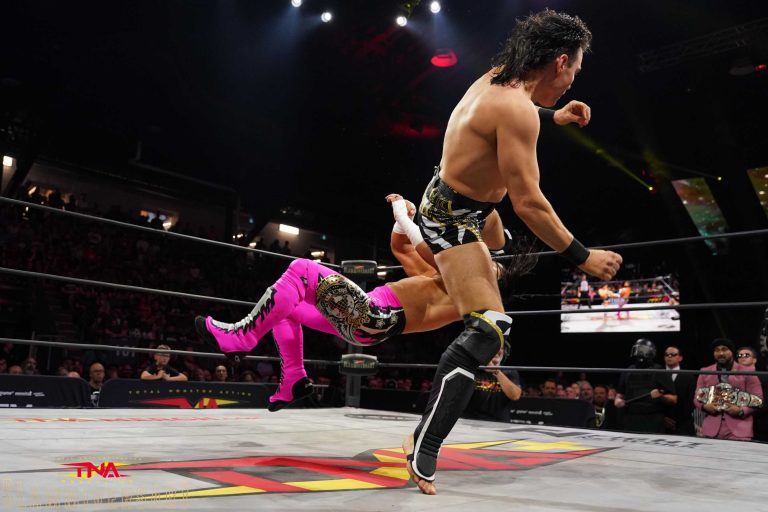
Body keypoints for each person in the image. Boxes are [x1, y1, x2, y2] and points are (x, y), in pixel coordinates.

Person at [405, 9, 622, 494]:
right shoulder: (517, 111)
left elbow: (506, 116)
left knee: (500, 251)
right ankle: (426, 442)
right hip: (452, 217)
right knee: (489, 327)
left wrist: (554, 116)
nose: (570, 84)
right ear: (559, 62)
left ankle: (452, 285)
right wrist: (583, 257)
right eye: (573, 73)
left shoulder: (500, 80)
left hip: (466, 204)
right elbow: (530, 205)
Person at [196, 195, 523, 412]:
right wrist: (402, 219)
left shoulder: (469, 286)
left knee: (300, 270)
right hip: (369, 319)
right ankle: (293, 379)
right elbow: (402, 248)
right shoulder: (444, 277)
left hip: (375, 315)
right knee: (284, 304)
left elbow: (428, 249)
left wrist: (403, 214)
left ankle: (242, 337)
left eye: (493, 265)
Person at [694, 339, 763, 441]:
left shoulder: (747, 371)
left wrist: (741, 411)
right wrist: (705, 407)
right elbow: (696, 398)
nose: (721, 353)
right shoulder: (705, 371)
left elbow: (759, 399)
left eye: (724, 349)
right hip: (711, 429)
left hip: (739, 429)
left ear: (732, 352)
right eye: (717, 350)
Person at [614, 338, 676, 434]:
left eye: (643, 350)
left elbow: (674, 399)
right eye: (638, 349)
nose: (640, 353)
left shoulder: (659, 371)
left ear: (651, 352)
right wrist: (617, 401)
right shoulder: (628, 371)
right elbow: (620, 395)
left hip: (653, 419)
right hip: (631, 419)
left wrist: (661, 396)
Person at [462, 347, 521, 421]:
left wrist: (496, 371)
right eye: (493, 348)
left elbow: (515, 396)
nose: (497, 350)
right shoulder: (471, 370)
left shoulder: (510, 371)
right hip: (470, 421)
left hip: (499, 422)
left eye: (500, 348)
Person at [662, 345, 696, 436]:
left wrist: (676, 421)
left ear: (680, 358)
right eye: (666, 354)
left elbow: (691, 402)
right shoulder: (657, 375)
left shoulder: (689, 377)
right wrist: (662, 418)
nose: (669, 356)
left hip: (683, 425)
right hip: (661, 425)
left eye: (673, 354)